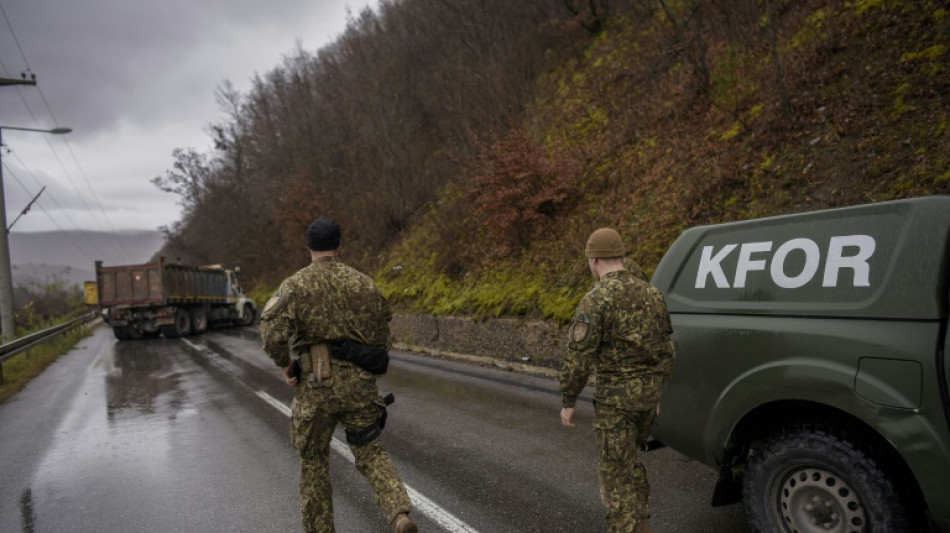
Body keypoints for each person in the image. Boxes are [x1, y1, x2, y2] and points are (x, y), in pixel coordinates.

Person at [260, 217, 418, 533]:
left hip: (316, 386)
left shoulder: (295, 285)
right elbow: (382, 341)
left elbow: (271, 335)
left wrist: (285, 364)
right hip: (359, 386)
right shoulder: (365, 284)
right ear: (339, 246)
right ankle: (399, 514)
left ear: (309, 248)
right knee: (371, 453)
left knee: (314, 463)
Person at [558, 228, 676, 533]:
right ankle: (643, 525)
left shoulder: (596, 300)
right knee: (630, 464)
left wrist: (569, 400)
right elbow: (666, 349)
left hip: (616, 404)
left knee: (614, 476)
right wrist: (656, 392)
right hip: (647, 399)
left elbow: (578, 356)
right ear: (621, 256)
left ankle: (624, 527)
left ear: (594, 259)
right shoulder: (653, 294)